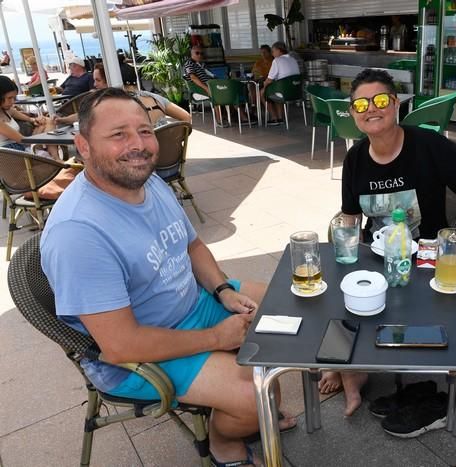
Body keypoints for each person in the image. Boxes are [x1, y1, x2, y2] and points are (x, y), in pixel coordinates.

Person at [40, 88, 296, 467]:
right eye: (118, 134)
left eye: (144, 131)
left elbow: (192, 247)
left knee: (289, 307)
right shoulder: (79, 233)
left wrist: (223, 289)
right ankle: (225, 444)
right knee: (257, 396)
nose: (138, 145)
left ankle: (238, 407)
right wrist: (216, 337)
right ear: (83, 145)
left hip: (192, 304)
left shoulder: (147, 182)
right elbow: (121, 346)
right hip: (135, 354)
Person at [326, 68, 456, 424]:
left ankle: (351, 367)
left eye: (380, 100)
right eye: (361, 104)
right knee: (342, 290)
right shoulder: (355, 159)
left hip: (425, 259)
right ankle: (348, 369)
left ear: (395, 105)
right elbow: (349, 217)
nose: (371, 109)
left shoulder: (428, 145)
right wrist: (342, 253)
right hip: (375, 256)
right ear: (353, 114)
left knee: (412, 312)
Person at [54, 63, 191, 127]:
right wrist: (175, 140)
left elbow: (83, 116)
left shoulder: (116, 104)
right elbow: (186, 117)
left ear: (112, 81)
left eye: (98, 80)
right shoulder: (154, 97)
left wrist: (62, 120)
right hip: (171, 163)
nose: (94, 85)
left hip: (141, 171)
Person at [261, 41, 300, 126]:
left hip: (284, 93)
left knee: (262, 93)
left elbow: (269, 79)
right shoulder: (293, 59)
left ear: (279, 50)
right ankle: (280, 117)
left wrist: (264, 86)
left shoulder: (277, 60)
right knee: (277, 90)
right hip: (297, 92)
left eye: (273, 51)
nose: (272, 53)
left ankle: (274, 118)